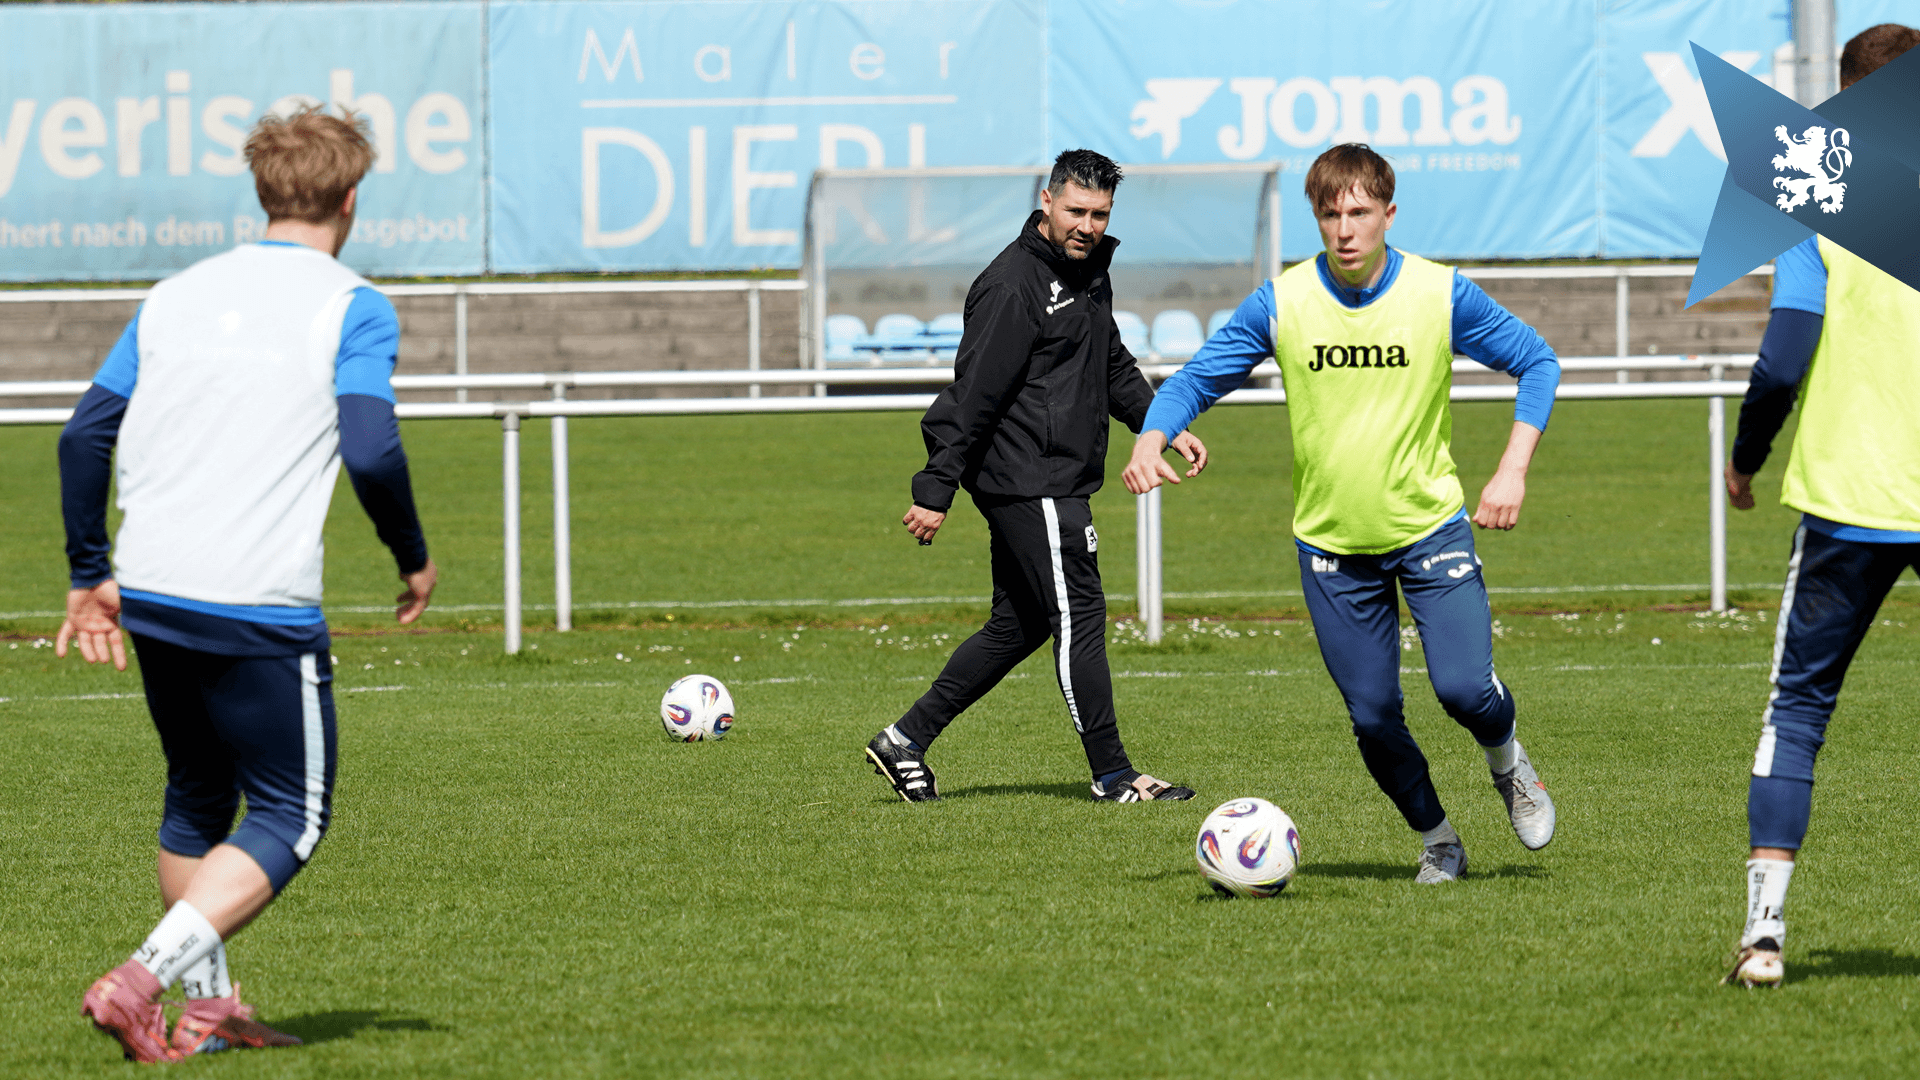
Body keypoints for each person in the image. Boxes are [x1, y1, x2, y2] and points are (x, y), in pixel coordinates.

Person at [60, 106, 437, 1061]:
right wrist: (410, 554)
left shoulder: (175, 294)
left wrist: (87, 574)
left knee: (198, 792)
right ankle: (139, 980)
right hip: (255, 598)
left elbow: (82, 435)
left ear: (264, 191)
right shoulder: (353, 303)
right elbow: (371, 446)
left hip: (150, 584)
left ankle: (211, 1006)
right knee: (290, 814)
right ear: (352, 198)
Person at [1122, 143, 1563, 882]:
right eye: (1331, 214)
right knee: (1372, 717)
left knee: (1462, 690)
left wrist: (1511, 471)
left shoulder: (1438, 293)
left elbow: (1538, 361)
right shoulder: (1283, 302)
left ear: (1389, 215)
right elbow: (1194, 379)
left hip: (1429, 529)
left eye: (1360, 213)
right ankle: (1439, 842)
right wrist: (1150, 439)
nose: (1345, 229)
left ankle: (1509, 762)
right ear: (1317, 220)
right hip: (1330, 547)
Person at [866, 149, 1205, 804]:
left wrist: (1165, 422)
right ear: (1045, 202)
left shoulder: (1087, 273)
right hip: (1034, 481)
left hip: (1050, 479)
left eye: (1099, 214)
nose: (1087, 225)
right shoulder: (1013, 285)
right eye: (1075, 210)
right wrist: (934, 490)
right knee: (1081, 613)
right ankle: (1114, 775)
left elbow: (1110, 364)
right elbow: (972, 396)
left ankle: (905, 740)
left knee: (1017, 626)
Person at [1719, 22, 1920, 990]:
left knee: (1797, 712)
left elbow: (1784, 353)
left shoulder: (1821, 201)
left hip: (1849, 498)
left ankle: (1764, 937)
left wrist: (1746, 456)